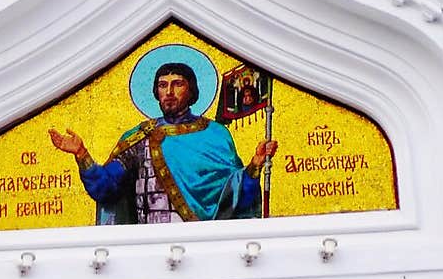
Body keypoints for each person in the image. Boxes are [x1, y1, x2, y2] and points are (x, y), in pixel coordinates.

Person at [49, 61, 278, 224]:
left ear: (191, 91)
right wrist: (81, 154)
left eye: (177, 84)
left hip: (203, 242)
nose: (168, 92)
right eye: (162, 85)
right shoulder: (141, 137)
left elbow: (236, 198)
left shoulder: (215, 135)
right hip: (149, 245)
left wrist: (255, 166)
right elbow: (106, 188)